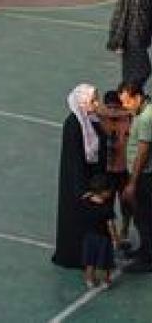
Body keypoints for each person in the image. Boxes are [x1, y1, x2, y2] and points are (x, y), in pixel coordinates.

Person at [54, 83, 108, 268]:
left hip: (90, 178)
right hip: (79, 185)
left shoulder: (91, 121)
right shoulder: (73, 125)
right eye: (93, 100)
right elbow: (74, 161)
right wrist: (84, 191)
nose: (96, 103)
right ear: (82, 103)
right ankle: (75, 257)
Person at [108, 0, 152, 91]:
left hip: (142, 36)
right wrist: (116, 41)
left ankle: (128, 99)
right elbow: (119, 14)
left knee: (130, 73)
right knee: (143, 69)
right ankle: (128, 95)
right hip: (130, 36)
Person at [122, 82, 152, 272]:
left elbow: (143, 151)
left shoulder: (146, 119)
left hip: (144, 176)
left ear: (137, 97)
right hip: (142, 174)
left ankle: (147, 259)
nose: (125, 106)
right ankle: (144, 250)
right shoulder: (142, 112)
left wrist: (132, 182)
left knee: (144, 216)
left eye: (127, 102)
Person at [81, 173, 118, 289]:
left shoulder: (86, 201)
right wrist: (115, 239)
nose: (110, 192)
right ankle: (105, 281)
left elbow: (83, 197)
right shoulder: (107, 209)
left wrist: (89, 194)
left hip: (89, 236)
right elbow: (111, 225)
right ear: (103, 192)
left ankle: (89, 280)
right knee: (104, 262)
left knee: (90, 260)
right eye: (108, 190)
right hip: (103, 239)